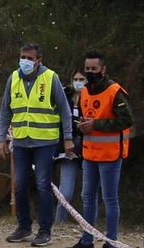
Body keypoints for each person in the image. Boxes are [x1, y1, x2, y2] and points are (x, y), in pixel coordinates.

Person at [0, 42, 75, 247]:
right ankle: (24, 227)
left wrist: (67, 138)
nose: (25, 61)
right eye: (23, 57)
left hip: (45, 141)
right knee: (20, 184)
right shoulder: (13, 79)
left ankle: (45, 231)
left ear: (39, 60)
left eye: (30, 58)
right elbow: (6, 110)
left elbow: (65, 110)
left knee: (42, 185)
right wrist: (1, 138)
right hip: (21, 141)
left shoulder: (50, 78)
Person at [64, 51, 134, 248]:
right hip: (90, 152)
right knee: (87, 197)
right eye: (88, 69)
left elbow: (126, 120)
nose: (90, 72)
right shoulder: (85, 91)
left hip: (110, 154)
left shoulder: (115, 92)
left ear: (103, 70)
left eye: (94, 69)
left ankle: (111, 246)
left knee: (110, 199)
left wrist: (97, 125)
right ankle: (87, 241)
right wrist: (83, 128)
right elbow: (85, 117)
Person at [53, 71, 87, 225]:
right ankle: (59, 223)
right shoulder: (64, 95)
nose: (78, 82)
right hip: (68, 148)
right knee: (65, 192)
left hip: (89, 147)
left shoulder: (94, 97)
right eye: (76, 79)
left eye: (82, 79)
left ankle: (88, 226)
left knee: (88, 193)